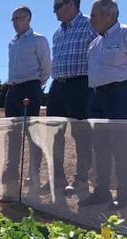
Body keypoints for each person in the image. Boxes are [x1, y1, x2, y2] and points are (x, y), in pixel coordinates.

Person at [78, 0, 127, 209]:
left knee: (119, 144)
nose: (91, 20)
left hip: (121, 93)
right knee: (100, 146)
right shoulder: (94, 44)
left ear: (109, 15)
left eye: (94, 15)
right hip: (97, 96)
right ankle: (101, 191)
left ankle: (124, 197)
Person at [47, 0, 97, 196]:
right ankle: (58, 178)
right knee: (55, 135)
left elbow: (99, 53)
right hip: (58, 86)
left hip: (81, 85)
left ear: (71, 4)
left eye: (57, 6)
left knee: (81, 135)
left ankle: (82, 179)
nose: (54, 11)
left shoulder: (88, 24)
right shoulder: (57, 33)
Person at [2, 6, 51, 199]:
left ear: (29, 19)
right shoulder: (12, 43)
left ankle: (34, 174)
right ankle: (12, 172)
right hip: (12, 90)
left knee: (32, 133)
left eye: (19, 18)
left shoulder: (38, 40)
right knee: (12, 132)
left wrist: (36, 86)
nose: (15, 22)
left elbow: (46, 67)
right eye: (13, 19)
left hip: (30, 88)